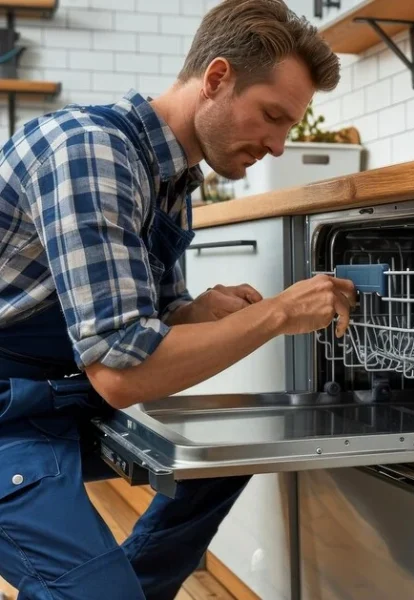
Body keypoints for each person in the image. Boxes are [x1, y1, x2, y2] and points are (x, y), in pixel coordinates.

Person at [0, 0, 356, 598]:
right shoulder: (92, 151)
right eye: (271, 116)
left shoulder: (170, 177)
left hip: (54, 394)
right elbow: (122, 370)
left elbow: (146, 325)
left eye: (289, 127)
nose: (276, 145)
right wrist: (279, 313)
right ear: (216, 79)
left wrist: (191, 313)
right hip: (11, 412)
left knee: (233, 450)